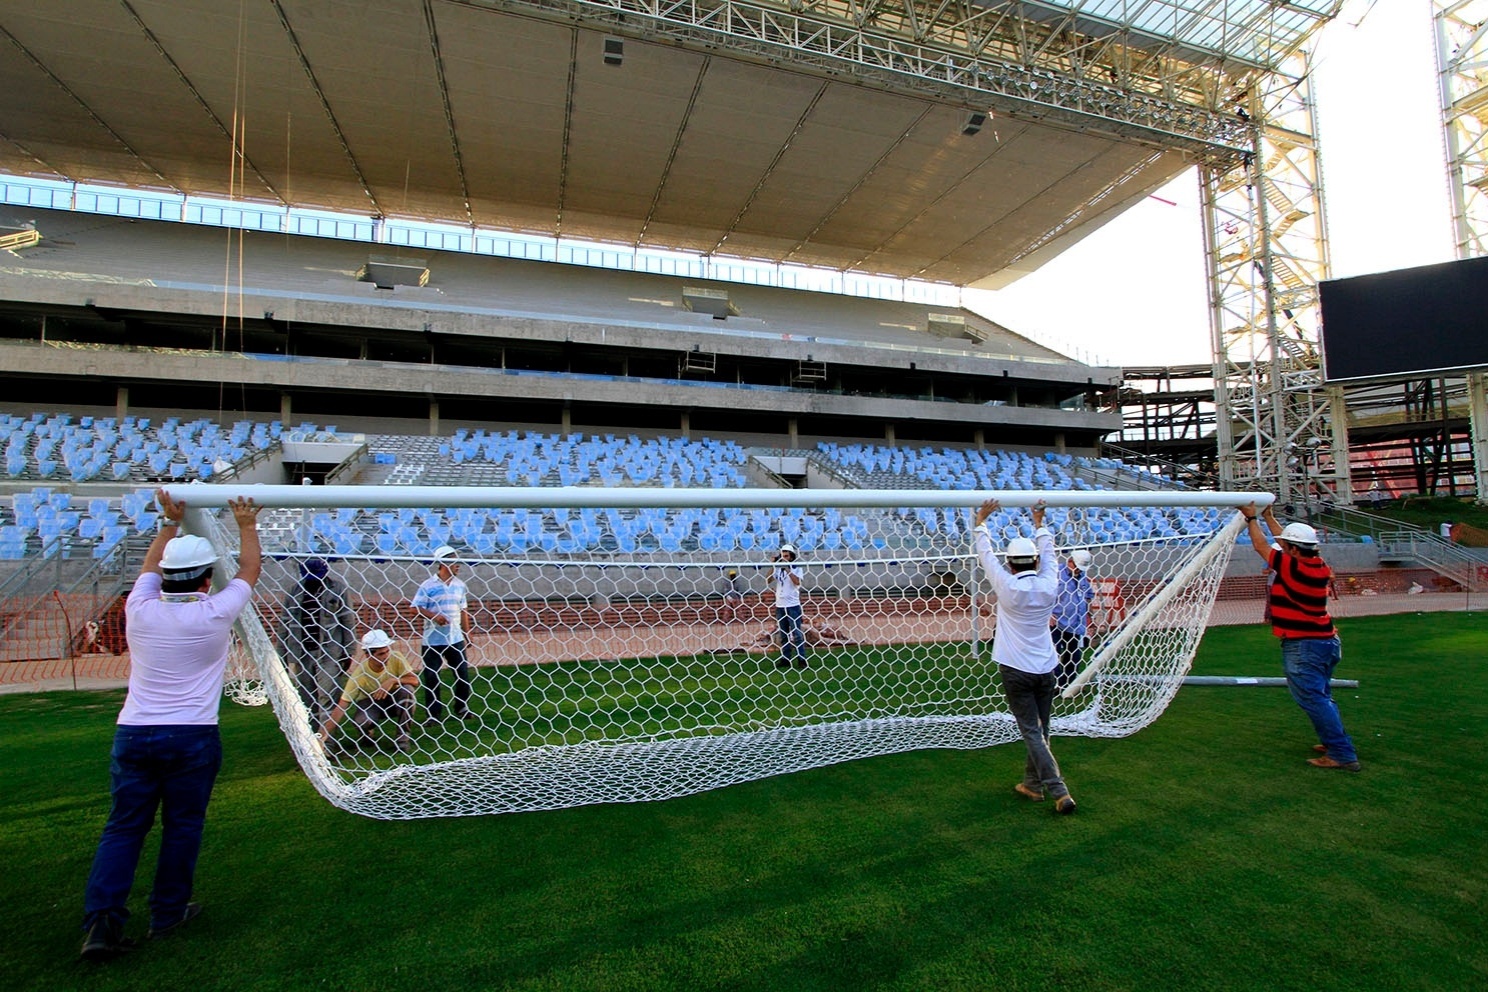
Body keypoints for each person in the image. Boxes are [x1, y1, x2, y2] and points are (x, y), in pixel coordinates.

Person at [79, 489, 263, 960]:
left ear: (165, 577)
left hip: (134, 733)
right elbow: (248, 572)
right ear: (206, 579)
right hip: (191, 735)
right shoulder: (214, 611)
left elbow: (147, 569)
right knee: (182, 827)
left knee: (122, 829)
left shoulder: (138, 608)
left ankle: (101, 923)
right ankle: (168, 912)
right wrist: (246, 524)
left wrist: (168, 523)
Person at [1237, 501, 1360, 772]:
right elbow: (1286, 543)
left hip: (1305, 644)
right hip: (1326, 641)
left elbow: (1262, 547)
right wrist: (1269, 517)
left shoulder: (1294, 569)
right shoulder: (1318, 564)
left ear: (1293, 550)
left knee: (1314, 699)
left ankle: (1341, 752)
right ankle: (1334, 743)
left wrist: (1252, 520)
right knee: (1323, 695)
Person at [972, 499, 1076, 814]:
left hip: (1016, 669)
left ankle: (1059, 790)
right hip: (1046, 667)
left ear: (1010, 563)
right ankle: (1031, 785)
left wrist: (981, 521)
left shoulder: (1006, 586)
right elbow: (1051, 555)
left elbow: (985, 555)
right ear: (1033, 561)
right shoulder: (1049, 584)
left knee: (1032, 730)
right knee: (1042, 729)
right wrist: (1039, 521)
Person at [276, 557, 356, 726]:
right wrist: (281, 657)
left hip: (329, 653)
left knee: (328, 697)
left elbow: (347, 621)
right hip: (302, 653)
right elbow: (284, 626)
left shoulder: (338, 589)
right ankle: (311, 740)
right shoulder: (294, 592)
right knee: (307, 699)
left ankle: (328, 745)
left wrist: (348, 652)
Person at [317, 630, 418, 755]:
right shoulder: (359, 675)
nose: (386, 656)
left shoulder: (396, 657)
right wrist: (321, 737)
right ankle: (366, 734)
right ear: (368, 655)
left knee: (407, 691)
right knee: (362, 721)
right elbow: (341, 707)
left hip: (394, 700)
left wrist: (393, 680)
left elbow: (414, 680)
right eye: (381, 654)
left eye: (387, 651)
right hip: (371, 703)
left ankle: (402, 739)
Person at [411, 544, 473, 722]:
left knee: (462, 675)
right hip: (432, 640)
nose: (458, 565)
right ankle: (433, 714)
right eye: (454, 562)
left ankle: (461, 707)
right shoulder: (428, 585)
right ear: (443, 563)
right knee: (432, 678)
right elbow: (414, 608)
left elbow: (464, 610)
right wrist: (434, 616)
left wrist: (467, 632)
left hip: (455, 639)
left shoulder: (460, 585)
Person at [1051, 549, 1094, 690]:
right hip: (1056, 621)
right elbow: (1043, 594)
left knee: (1074, 654)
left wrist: (1089, 615)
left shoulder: (1082, 576)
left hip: (1075, 623)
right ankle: (1055, 684)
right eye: (1076, 567)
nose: (1078, 571)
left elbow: (1088, 594)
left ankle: (1069, 684)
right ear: (1070, 561)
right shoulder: (1055, 574)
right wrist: (1048, 614)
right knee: (1054, 653)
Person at [771, 543, 807, 669]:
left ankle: (801, 659)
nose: (784, 557)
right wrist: (773, 565)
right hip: (780, 606)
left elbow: (797, 582)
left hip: (793, 606)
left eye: (786, 555)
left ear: (791, 556)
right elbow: (768, 579)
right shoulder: (778, 568)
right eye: (782, 555)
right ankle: (785, 659)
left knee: (797, 634)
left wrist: (787, 569)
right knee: (783, 634)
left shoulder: (797, 568)